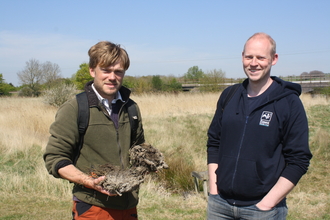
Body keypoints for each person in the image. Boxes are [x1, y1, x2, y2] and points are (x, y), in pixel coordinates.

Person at [206, 33, 312, 219]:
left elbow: (299, 160)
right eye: (249, 57)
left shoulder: (288, 103)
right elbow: (214, 142)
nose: (253, 63)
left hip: (262, 210)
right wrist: (214, 190)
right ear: (242, 57)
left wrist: (267, 204)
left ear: (274, 59)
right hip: (219, 206)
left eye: (261, 57)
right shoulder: (229, 96)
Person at [44, 41, 145, 220]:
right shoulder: (75, 108)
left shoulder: (131, 108)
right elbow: (55, 158)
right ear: (93, 70)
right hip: (93, 207)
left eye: (118, 71)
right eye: (106, 70)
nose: (112, 77)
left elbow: (138, 150)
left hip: (129, 205)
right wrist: (89, 182)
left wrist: (148, 164)